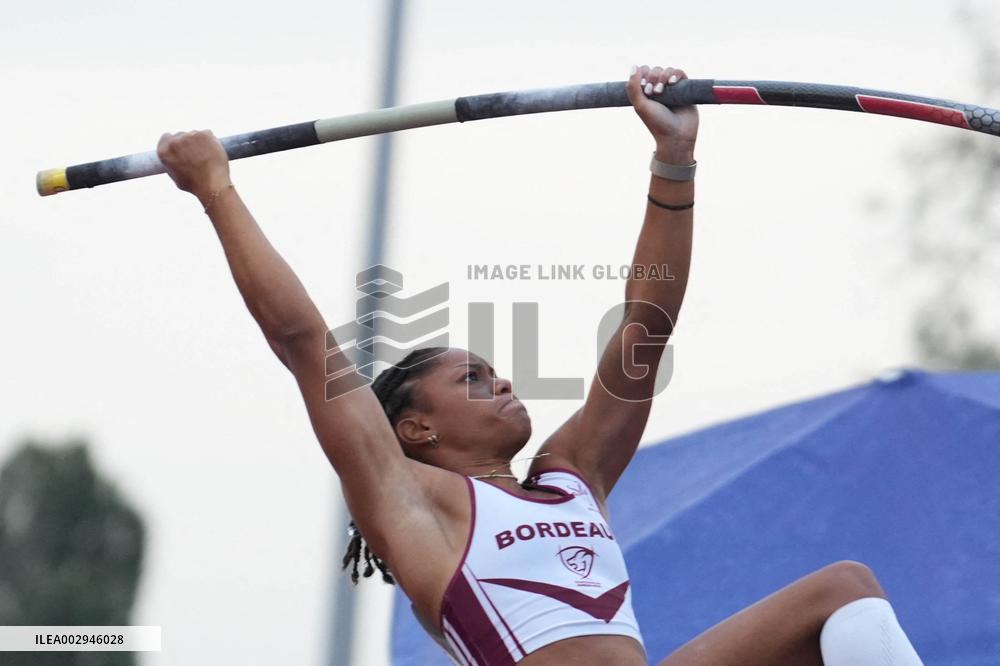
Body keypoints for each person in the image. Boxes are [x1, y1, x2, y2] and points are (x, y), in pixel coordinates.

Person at [156, 65, 925, 665]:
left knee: (843, 592)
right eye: (474, 379)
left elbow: (644, 333)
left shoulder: (571, 475)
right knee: (843, 588)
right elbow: (302, 342)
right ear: (414, 426)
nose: (504, 384)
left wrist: (674, 160)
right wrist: (216, 189)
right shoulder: (410, 502)